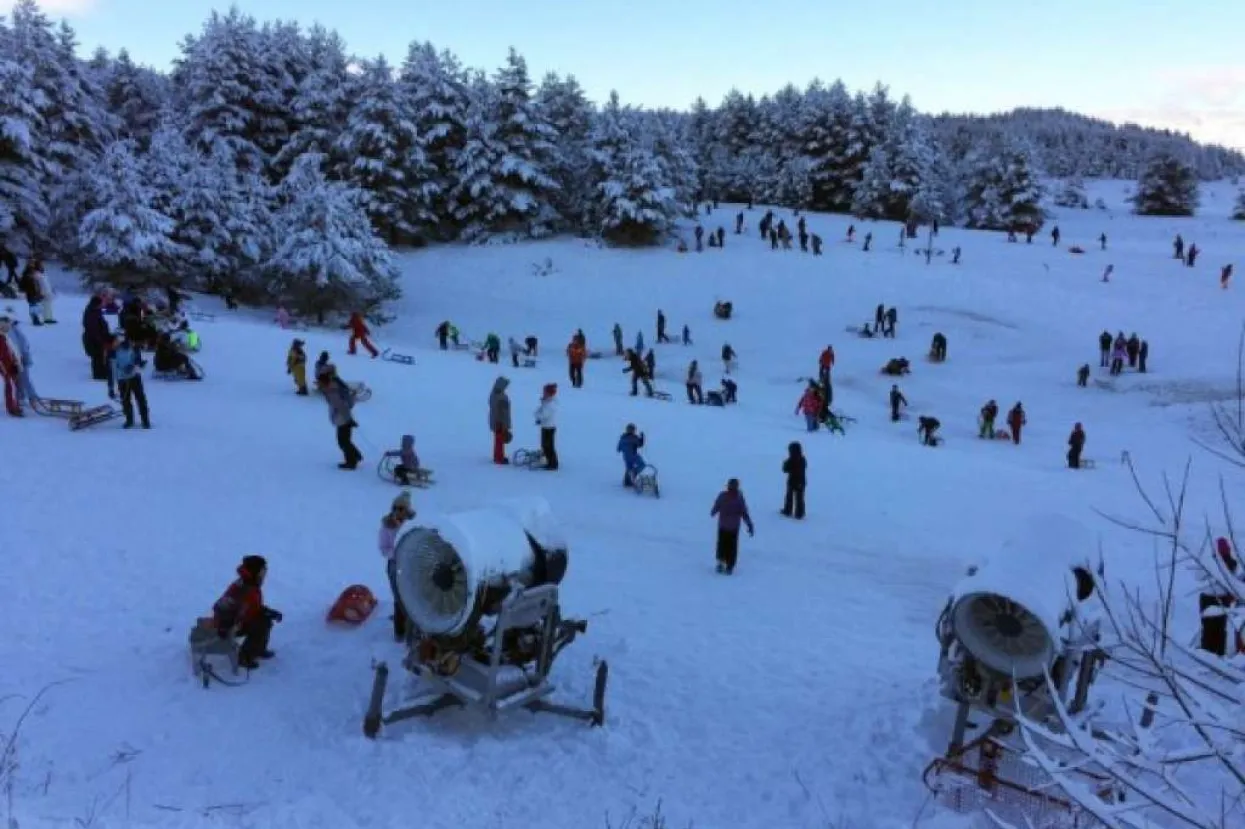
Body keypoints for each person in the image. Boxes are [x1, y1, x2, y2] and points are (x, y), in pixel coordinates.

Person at [211, 555, 282, 670]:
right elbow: (222, 607)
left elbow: (253, 608)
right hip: (228, 625)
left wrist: (269, 612)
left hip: (239, 620)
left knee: (264, 620)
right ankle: (244, 657)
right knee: (260, 624)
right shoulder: (243, 588)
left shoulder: (251, 585)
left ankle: (258, 650)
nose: (265, 574)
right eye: (263, 571)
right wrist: (224, 628)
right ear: (255, 572)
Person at [378, 492, 416, 641]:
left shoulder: (413, 523)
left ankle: (412, 625)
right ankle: (400, 632)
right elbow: (383, 548)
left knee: (413, 595)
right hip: (395, 565)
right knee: (399, 597)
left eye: (403, 508)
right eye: (397, 508)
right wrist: (397, 553)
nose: (400, 512)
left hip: (412, 565)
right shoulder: (387, 526)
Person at [320, 365, 361, 469]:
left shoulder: (332, 387)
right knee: (345, 439)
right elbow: (349, 401)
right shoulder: (338, 383)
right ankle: (356, 456)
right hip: (344, 416)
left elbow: (340, 405)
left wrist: (348, 419)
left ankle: (351, 461)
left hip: (342, 417)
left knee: (342, 441)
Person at [710, 479, 754, 575]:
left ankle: (721, 562)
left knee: (722, 545)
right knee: (732, 547)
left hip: (724, 526)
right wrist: (749, 524)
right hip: (733, 527)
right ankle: (729, 565)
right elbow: (744, 512)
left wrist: (713, 511)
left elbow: (717, 506)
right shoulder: (739, 498)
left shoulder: (724, 496)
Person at [110, 332, 150, 429]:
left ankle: (145, 420)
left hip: (134, 377)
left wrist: (137, 365)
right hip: (122, 379)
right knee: (126, 400)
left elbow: (137, 361)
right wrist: (110, 387)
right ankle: (129, 420)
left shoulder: (133, 349)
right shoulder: (113, 353)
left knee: (140, 399)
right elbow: (111, 370)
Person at [535, 383, 558, 470]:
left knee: (548, 446)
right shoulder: (547, 402)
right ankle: (550, 461)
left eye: (545, 392)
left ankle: (552, 463)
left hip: (549, 428)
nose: (543, 393)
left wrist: (538, 416)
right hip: (546, 427)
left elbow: (544, 415)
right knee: (546, 445)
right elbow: (539, 411)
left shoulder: (550, 404)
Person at [0, 317, 21, 416]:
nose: (8, 328)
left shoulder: (5, 337)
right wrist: (5, 369)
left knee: (14, 385)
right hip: (5, 367)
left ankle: (15, 404)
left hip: (10, 365)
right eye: (6, 326)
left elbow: (11, 352)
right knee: (10, 385)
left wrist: (15, 362)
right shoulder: (1, 339)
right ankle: (12, 408)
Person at [489, 377, 512, 464]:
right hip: (500, 422)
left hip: (495, 421)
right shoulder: (501, 397)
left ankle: (497, 456)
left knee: (498, 440)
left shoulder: (493, 394)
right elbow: (504, 412)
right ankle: (499, 458)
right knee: (500, 441)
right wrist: (505, 425)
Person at [781, 442, 806, 519]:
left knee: (791, 497)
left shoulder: (792, 460)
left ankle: (788, 510)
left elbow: (785, 469)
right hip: (800, 481)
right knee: (799, 498)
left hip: (793, 481)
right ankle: (799, 513)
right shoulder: (802, 459)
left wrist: (785, 463)